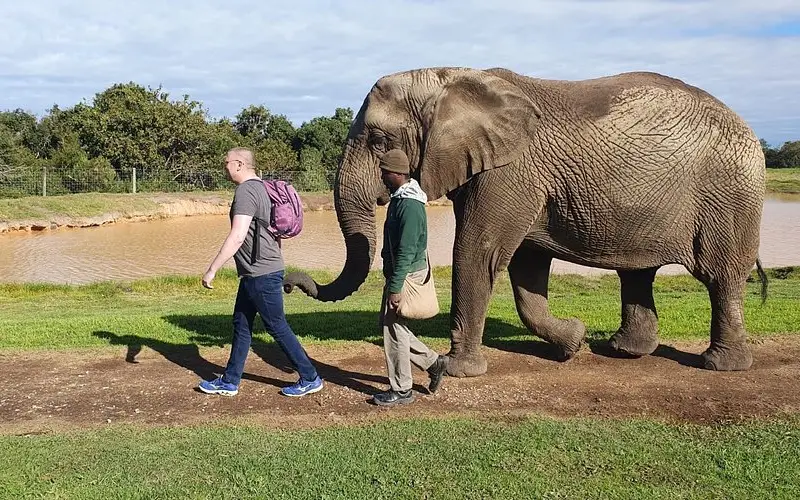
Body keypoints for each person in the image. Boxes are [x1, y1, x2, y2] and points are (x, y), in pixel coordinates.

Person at [198, 147, 323, 397]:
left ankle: (310, 377)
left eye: (226, 163)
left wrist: (212, 269)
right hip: (256, 272)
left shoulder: (246, 191)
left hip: (260, 272)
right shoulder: (264, 188)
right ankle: (230, 381)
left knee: (276, 325)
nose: (224, 167)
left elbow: (237, 235)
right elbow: (272, 233)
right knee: (241, 324)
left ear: (239, 164)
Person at [372, 148, 446, 407]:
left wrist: (395, 286)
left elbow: (406, 250)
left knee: (393, 329)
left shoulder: (410, 206)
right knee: (395, 327)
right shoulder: (401, 199)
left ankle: (402, 390)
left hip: (406, 276)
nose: (382, 177)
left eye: (384, 172)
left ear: (396, 173)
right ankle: (434, 362)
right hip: (401, 273)